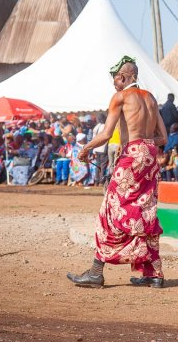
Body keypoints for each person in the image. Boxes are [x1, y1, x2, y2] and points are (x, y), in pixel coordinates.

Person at [67, 56, 168, 288]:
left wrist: (85, 149)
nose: (114, 84)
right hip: (151, 156)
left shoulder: (120, 97)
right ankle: (154, 274)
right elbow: (163, 138)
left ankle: (95, 272)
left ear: (123, 77)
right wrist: (144, 145)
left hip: (131, 156)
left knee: (110, 211)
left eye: (115, 79)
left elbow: (105, 134)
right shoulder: (151, 98)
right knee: (145, 212)